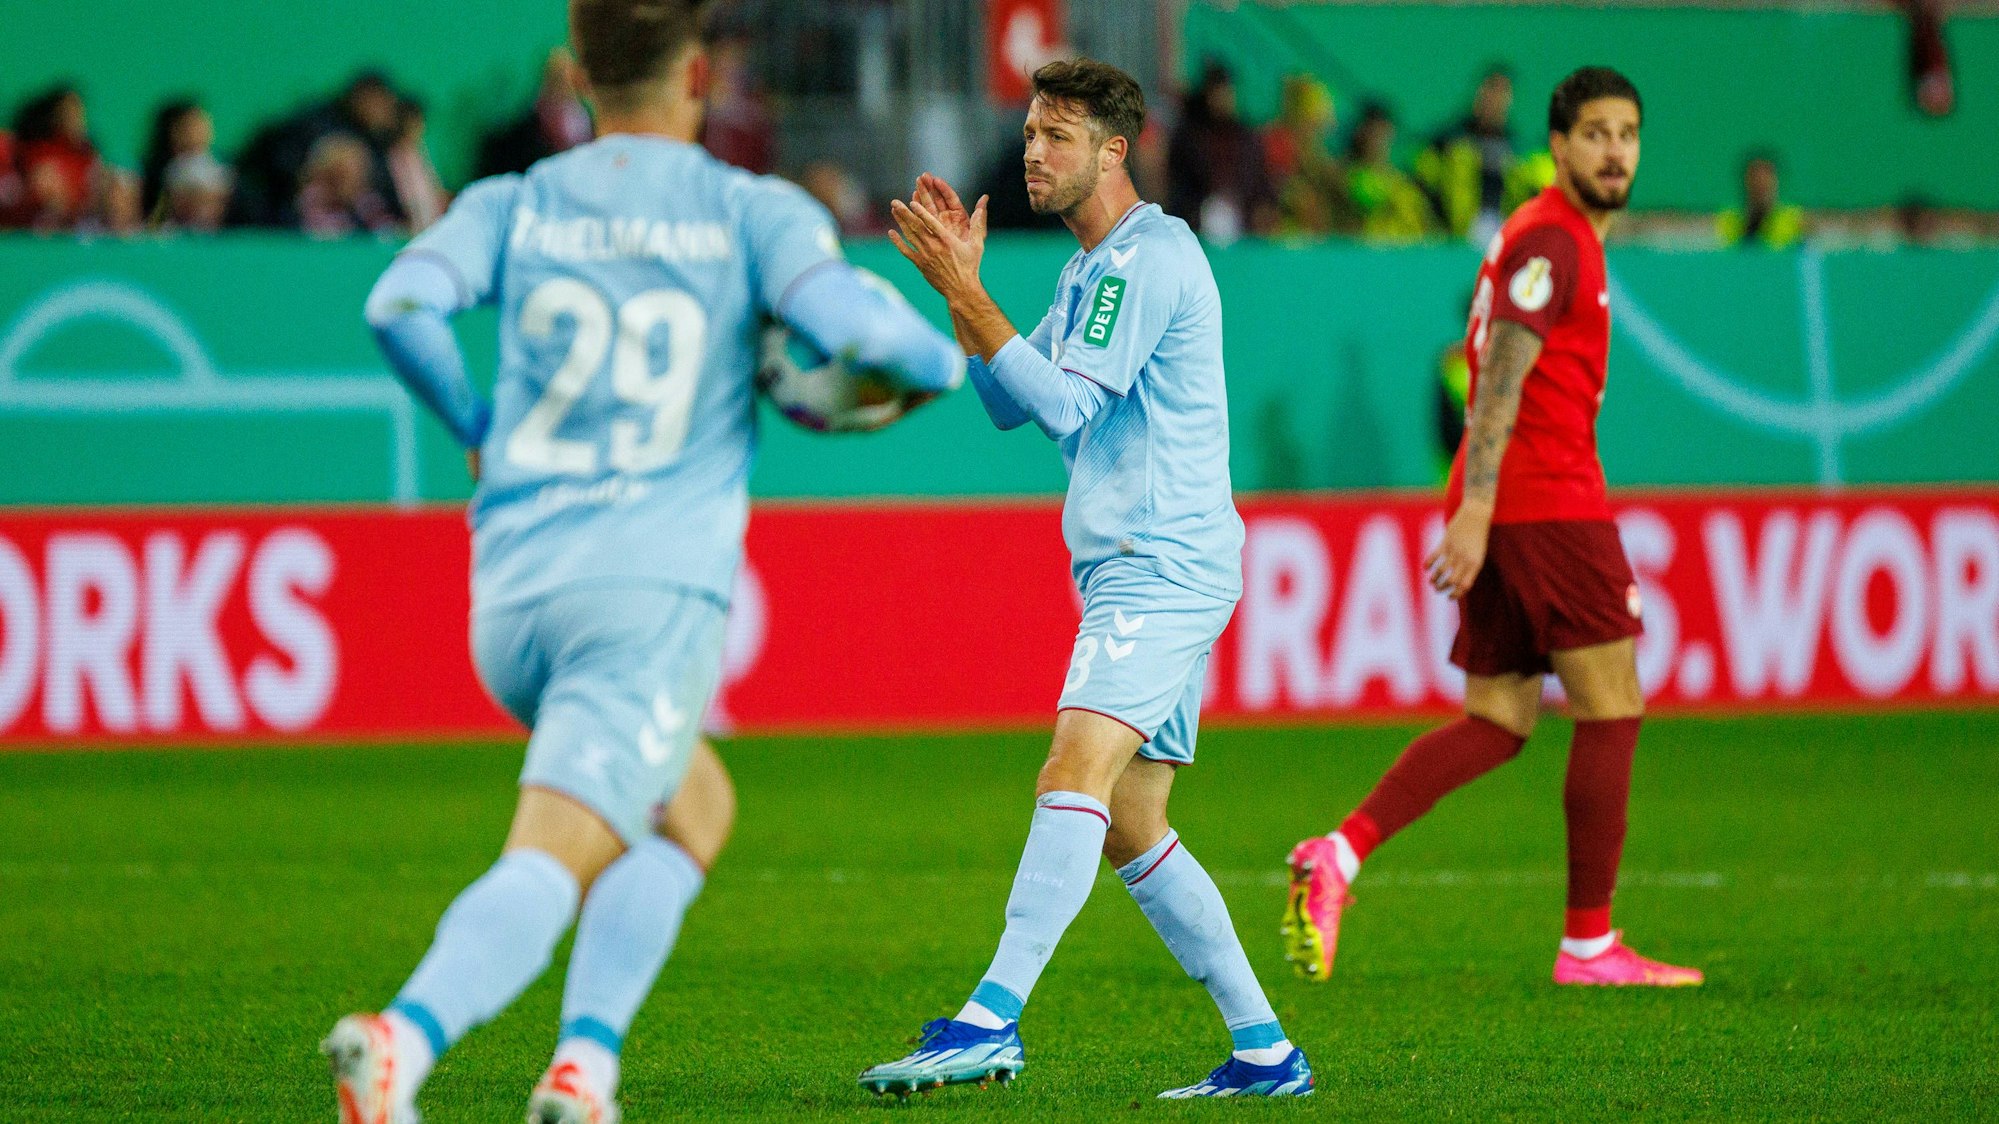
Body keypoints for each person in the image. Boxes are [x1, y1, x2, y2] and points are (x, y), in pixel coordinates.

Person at [321, 3, 964, 1122]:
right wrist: (923, 364)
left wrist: (474, 420)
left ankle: (584, 1070)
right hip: (644, 588)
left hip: (511, 589)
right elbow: (889, 346)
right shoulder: (749, 209)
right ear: (701, 74)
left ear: (576, 76)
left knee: (693, 802)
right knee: (557, 846)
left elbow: (399, 303)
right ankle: (401, 1037)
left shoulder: (514, 202)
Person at [866, 57, 1313, 1101]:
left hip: (1160, 565)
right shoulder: (1087, 271)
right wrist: (965, 300)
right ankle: (1263, 1049)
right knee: (1129, 819)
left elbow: (1063, 406)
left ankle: (989, 1017)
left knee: (1072, 772)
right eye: (1029, 131)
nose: (1032, 149)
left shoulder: (1143, 259)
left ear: (1115, 150)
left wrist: (968, 294)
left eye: (1057, 134)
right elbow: (1010, 404)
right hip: (1143, 565)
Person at [1284, 67, 1704, 990]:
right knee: (1612, 705)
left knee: (1499, 718)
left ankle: (1338, 853)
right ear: (1557, 146)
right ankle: (1589, 944)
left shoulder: (1547, 236)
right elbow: (1501, 374)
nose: (1613, 151)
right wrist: (1475, 508)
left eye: (1626, 134)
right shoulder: (1551, 237)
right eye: (1594, 133)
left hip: (1513, 504)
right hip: (1544, 502)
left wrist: (1477, 509)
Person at [1164, 62, 1276, 243]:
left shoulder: (1245, 137)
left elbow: (1260, 182)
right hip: (1198, 220)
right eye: (1217, 92)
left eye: (1227, 92)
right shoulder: (1189, 136)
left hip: (1244, 220)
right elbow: (1179, 186)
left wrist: (1262, 207)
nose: (1223, 98)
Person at [1415, 66, 1519, 243]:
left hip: (1501, 232)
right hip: (1454, 238)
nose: (1494, 99)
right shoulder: (1447, 141)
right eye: (1490, 89)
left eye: (1502, 92)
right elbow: (1422, 187)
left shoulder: (1514, 147)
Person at [475, 48, 595, 179]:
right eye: (557, 75)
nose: (564, 81)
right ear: (546, 77)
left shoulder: (590, 121)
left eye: (568, 74)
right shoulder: (517, 135)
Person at [1337, 101, 1433, 242]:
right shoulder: (1347, 177)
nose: (1377, 138)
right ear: (1360, 133)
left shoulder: (1406, 183)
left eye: (1381, 131)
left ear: (1391, 132)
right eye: (1372, 131)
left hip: (1408, 256)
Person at [1716, 151, 1805, 249]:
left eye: (1765, 182)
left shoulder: (1794, 220)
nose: (1760, 184)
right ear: (1746, 183)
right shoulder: (1729, 219)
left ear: (1776, 184)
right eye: (1755, 180)